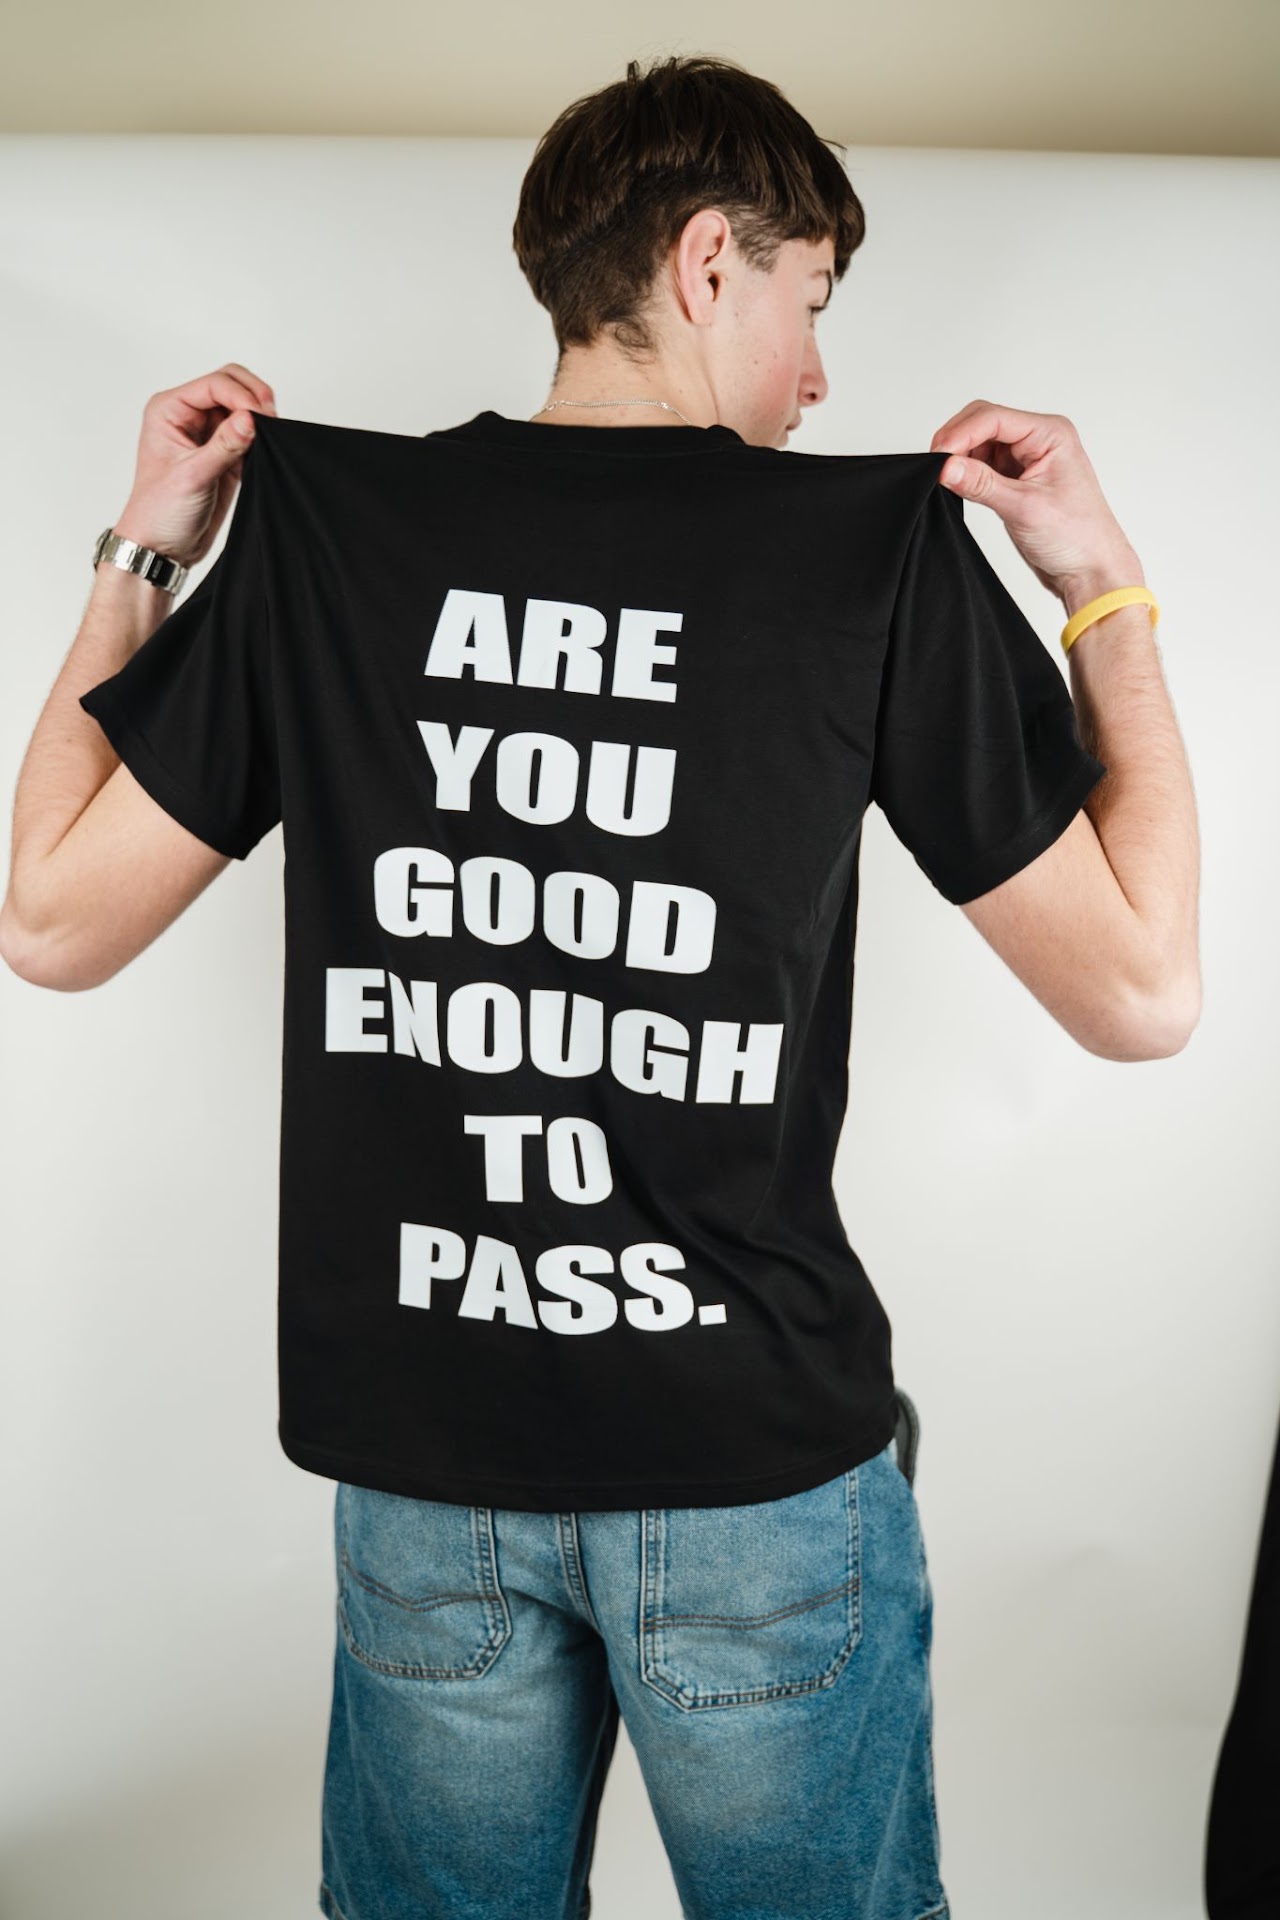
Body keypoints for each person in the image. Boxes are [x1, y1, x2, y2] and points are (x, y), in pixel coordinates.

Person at [0, 50, 1200, 1920]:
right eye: (814, 301)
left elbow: (49, 917)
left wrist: (150, 544)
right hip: (752, 1477)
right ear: (713, 261)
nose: (822, 377)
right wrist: (1103, 592)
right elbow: (1143, 988)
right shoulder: (866, 554)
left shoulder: (338, 536)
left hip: (428, 1469)